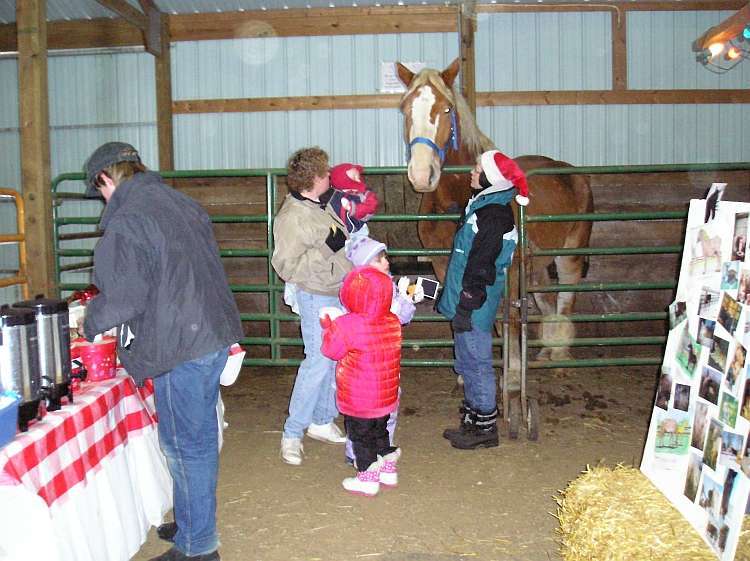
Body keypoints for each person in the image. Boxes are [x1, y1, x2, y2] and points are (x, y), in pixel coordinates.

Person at [81, 141, 243, 561]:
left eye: (98, 190)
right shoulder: (179, 203)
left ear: (106, 179)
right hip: (211, 331)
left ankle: (197, 547)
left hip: (180, 341)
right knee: (198, 438)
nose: (101, 199)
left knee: (185, 445)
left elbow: (125, 298)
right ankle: (193, 521)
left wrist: (89, 320)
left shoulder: (130, 220)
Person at [438, 149, 529, 450]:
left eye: (478, 168)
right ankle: (472, 420)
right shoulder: (483, 208)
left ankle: (485, 428)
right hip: (469, 302)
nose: (472, 172)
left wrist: (467, 302)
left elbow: (481, 267)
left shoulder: (493, 216)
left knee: (477, 363)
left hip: (474, 304)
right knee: (467, 362)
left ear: (492, 177)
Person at [271, 147, 352, 466]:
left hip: (336, 291)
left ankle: (321, 419)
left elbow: (336, 240)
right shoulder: (292, 216)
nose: (330, 175)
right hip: (316, 294)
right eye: (325, 172)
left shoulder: (319, 204)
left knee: (334, 359)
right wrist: (327, 252)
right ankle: (292, 432)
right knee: (318, 360)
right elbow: (285, 265)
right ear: (314, 178)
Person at [341, 236, 424, 464]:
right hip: (374, 362)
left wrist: (406, 299)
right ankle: (363, 455)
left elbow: (398, 317)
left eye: (385, 257)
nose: (386, 262)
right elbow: (394, 318)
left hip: (375, 363)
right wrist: (404, 303)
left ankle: (372, 451)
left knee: (375, 409)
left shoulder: (375, 287)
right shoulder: (370, 291)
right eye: (379, 259)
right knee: (372, 410)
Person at [320, 266, 402, 496]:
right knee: (380, 431)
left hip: (359, 397)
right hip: (386, 395)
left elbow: (331, 350)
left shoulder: (348, 324)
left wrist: (329, 327)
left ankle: (367, 477)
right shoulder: (392, 321)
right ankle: (388, 469)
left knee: (361, 437)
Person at [328, 163, 379, 237]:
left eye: (358, 177)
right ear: (342, 180)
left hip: (357, 231)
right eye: (354, 177)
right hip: (337, 231)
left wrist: (352, 208)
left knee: (360, 245)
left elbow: (371, 205)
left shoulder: (364, 194)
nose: (358, 180)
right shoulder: (333, 194)